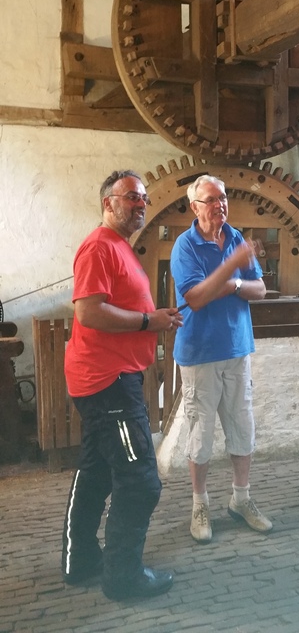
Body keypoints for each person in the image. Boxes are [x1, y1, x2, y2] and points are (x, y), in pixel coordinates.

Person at [62, 169, 183, 601]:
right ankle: (123, 577)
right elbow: (89, 312)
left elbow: (118, 307)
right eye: (131, 196)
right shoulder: (99, 246)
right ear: (107, 203)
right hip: (108, 383)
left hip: (107, 378)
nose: (140, 204)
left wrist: (155, 318)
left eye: (144, 198)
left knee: (96, 472)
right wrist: (149, 321)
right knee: (139, 481)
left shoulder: (119, 247)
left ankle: (80, 560)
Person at [170, 174, 272, 544]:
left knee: (242, 427)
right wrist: (232, 274)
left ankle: (240, 499)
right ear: (194, 207)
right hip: (200, 354)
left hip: (237, 349)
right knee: (201, 433)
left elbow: (260, 289)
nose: (220, 205)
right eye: (211, 200)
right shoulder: (185, 246)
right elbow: (196, 297)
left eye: (223, 197)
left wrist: (235, 284)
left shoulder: (235, 237)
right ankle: (200, 505)